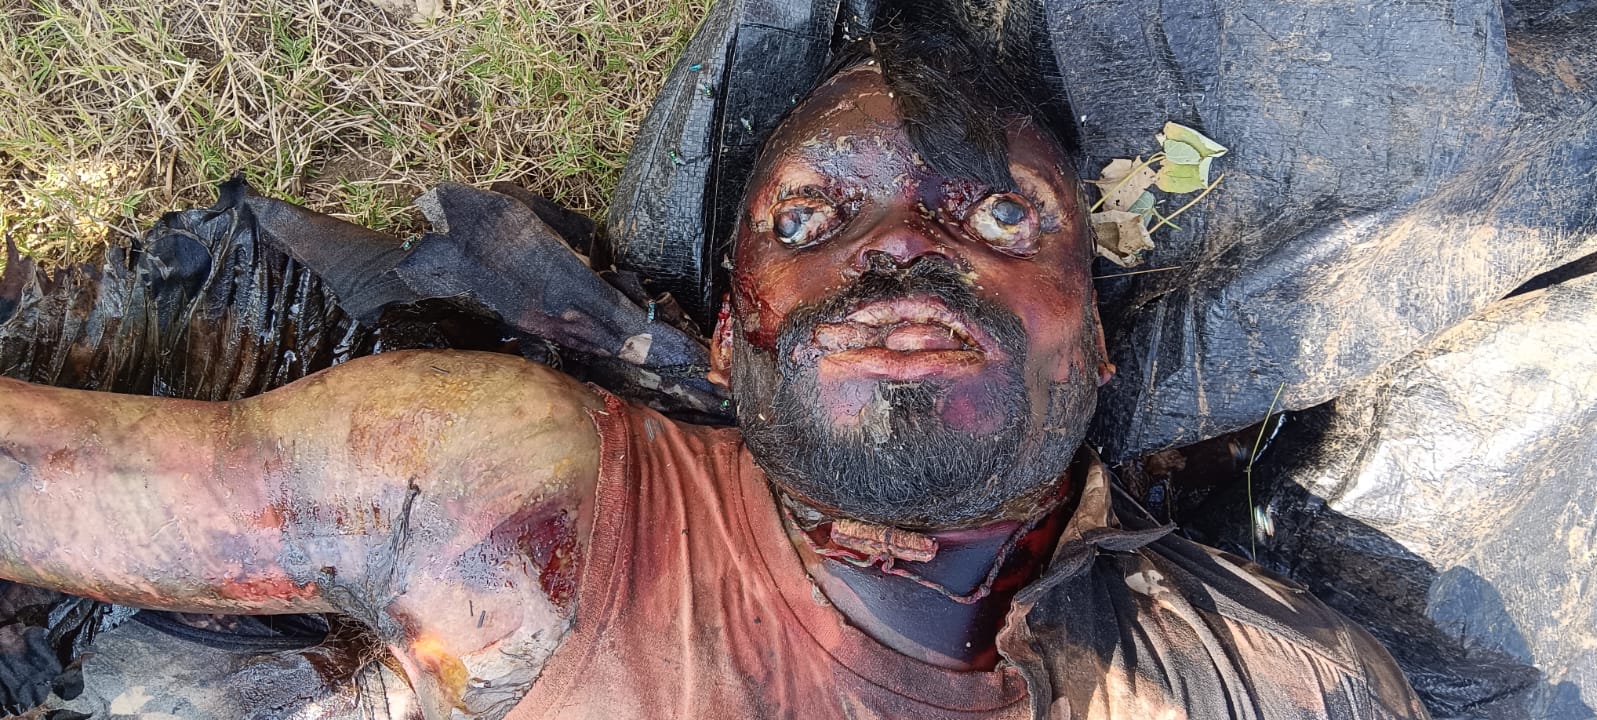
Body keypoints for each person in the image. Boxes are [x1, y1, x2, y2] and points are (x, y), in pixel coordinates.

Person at [0, 29, 1427, 720]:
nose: (899, 248)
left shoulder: (1271, 684)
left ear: (1099, 336)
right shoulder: (519, 502)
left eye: (998, 215)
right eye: (812, 220)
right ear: (731, 339)